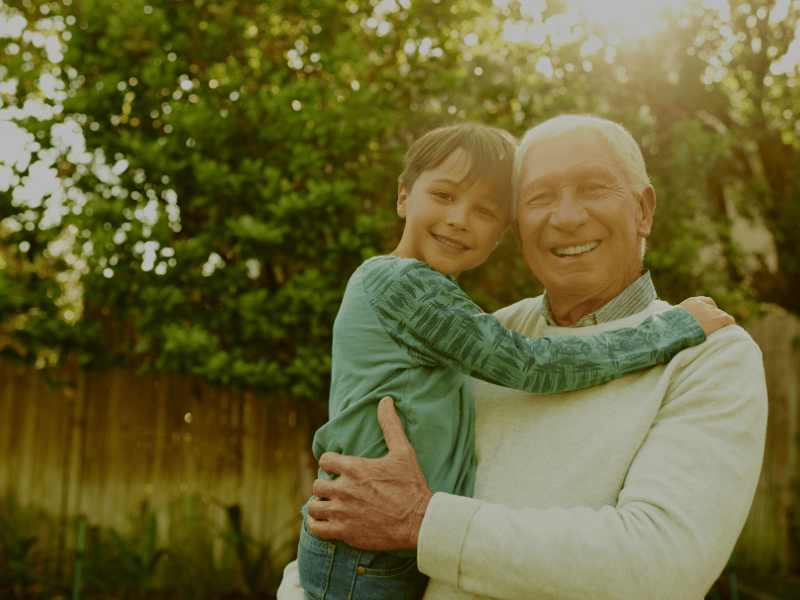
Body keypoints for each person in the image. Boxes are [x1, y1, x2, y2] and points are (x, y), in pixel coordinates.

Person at [291, 121, 737, 600]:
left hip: (379, 559)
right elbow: (530, 365)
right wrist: (672, 329)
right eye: (443, 195)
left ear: (505, 231)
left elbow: (656, 566)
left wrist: (422, 521)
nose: (460, 218)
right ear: (403, 196)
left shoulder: (714, 362)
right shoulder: (408, 289)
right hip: (364, 560)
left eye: (485, 209)